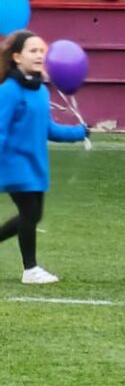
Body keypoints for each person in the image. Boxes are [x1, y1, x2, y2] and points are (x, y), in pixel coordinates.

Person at [0, 30, 89, 285]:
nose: (39, 55)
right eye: (32, 51)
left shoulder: (40, 91)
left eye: (42, 51)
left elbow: (48, 129)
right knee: (29, 212)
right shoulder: (8, 91)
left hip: (35, 165)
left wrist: (80, 132)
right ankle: (30, 269)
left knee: (33, 215)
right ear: (17, 57)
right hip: (13, 164)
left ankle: (30, 267)